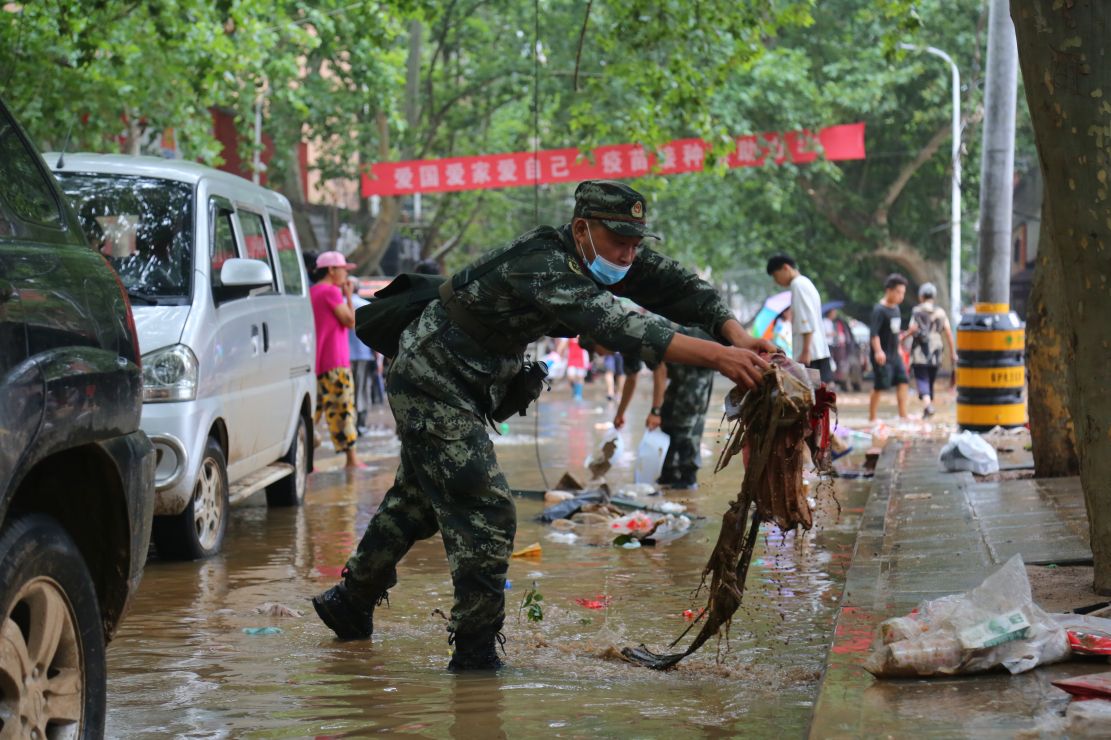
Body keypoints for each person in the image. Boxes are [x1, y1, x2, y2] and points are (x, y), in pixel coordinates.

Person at [311, 180, 775, 671]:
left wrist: (738, 335)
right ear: (582, 229)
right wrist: (724, 357)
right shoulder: (544, 262)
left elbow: (682, 288)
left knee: (418, 500)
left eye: (637, 243)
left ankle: (350, 601)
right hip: (431, 377)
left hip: (470, 384)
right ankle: (474, 656)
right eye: (620, 241)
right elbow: (618, 326)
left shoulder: (610, 254)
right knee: (486, 508)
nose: (628, 254)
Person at [603, 328, 715, 490]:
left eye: (593, 349)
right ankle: (668, 474)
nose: (598, 355)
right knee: (668, 417)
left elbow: (659, 370)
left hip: (696, 358)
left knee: (685, 420)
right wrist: (620, 414)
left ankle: (688, 478)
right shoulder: (622, 345)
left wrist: (655, 411)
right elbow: (631, 379)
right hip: (677, 368)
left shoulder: (627, 334)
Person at [309, 250, 365, 469]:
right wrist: (348, 295)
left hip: (315, 364)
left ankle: (308, 462)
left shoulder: (312, 292)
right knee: (342, 411)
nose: (345, 275)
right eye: (343, 269)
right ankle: (352, 460)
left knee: (311, 415)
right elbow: (351, 321)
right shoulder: (331, 292)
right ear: (331, 270)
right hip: (335, 362)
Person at [766, 254, 832, 384]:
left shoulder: (798, 285)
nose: (776, 281)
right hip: (818, 350)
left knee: (812, 396)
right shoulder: (805, 282)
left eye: (775, 275)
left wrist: (805, 351)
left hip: (810, 353)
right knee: (821, 396)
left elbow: (806, 320)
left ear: (785, 268)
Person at [904, 282, 958, 418]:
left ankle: (928, 405)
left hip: (920, 350)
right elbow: (948, 333)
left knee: (922, 378)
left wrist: (903, 338)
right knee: (931, 378)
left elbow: (913, 328)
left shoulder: (917, 311)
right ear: (933, 296)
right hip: (936, 349)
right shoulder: (940, 312)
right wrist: (953, 353)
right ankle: (928, 409)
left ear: (921, 296)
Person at [869, 273, 910, 423]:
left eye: (903, 293)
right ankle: (872, 417)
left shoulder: (897, 310)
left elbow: (895, 332)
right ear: (889, 290)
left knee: (903, 381)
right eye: (899, 292)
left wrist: (899, 348)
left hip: (895, 354)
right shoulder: (879, 310)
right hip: (882, 354)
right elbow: (874, 334)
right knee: (880, 385)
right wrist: (878, 351)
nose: (901, 296)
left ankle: (903, 414)